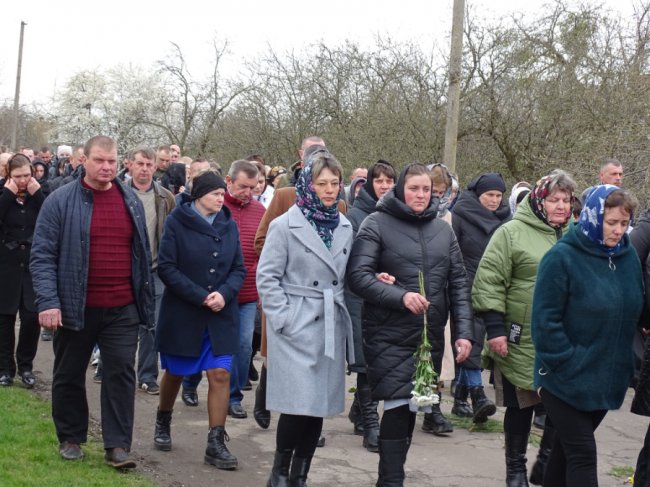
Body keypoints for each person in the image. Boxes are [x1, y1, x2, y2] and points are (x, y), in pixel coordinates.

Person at [30, 135, 154, 469]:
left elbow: (141, 255)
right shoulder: (59, 201)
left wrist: (144, 300)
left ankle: (117, 445)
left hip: (122, 306)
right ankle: (70, 437)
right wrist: (48, 301)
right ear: (84, 160)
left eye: (112, 161)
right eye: (100, 160)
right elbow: (41, 255)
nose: (107, 167)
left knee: (120, 373)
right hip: (74, 304)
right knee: (69, 373)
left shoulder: (130, 201)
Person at [347, 163, 474, 486]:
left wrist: (464, 334)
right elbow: (358, 276)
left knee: (413, 406)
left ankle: (392, 476)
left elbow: (458, 283)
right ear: (400, 189)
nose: (420, 195)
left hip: (428, 336)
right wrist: (399, 296)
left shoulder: (443, 229)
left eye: (426, 190)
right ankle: (391, 479)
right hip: (388, 331)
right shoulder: (377, 223)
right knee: (399, 403)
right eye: (414, 188)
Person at [532, 185, 643, 486]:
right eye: (612, 222)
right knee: (582, 454)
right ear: (594, 217)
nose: (619, 230)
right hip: (563, 379)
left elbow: (636, 306)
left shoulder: (627, 256)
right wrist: (569, 362)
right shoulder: (562, 257)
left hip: (606, 380)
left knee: (565, 455)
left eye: (624, 223)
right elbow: (544, 322)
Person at [472, 170, 576, 486]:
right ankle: (515, 469)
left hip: (565, 337)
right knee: (522, 404)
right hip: (520, 333)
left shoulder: (578, 234)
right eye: (554, 200)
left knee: (562, 407)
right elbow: (489, 281)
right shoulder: (511, 233)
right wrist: (496, 330)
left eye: (566, 200)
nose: (561, 206)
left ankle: (545, 463)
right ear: (539, 201)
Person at [257, 148, 353, 486]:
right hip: (297, 323)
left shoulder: (344, 225)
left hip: (329, 324)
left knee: (318, 406)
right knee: (297, 404)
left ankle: (301, 474)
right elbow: (266, 276)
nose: (329, 189)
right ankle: (279, 472)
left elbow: (345, 275)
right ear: (308, 185)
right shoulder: (286, 224)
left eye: (334, 183)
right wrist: (283, 319)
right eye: (321, 183)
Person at [153, 170, 246, 470]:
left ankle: (215, 443)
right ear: (199, 195)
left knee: (220, 374)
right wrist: (200, 296)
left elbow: (238, 269)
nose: (222, 198)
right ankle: (163, 419)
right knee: (176, 373)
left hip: (220, 314)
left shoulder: (228, 225)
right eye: (216, 193)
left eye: (223, 194)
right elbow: (167, 267)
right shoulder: (177, 223)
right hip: (184, 313)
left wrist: (224, 294)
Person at [344, 159, 396, 451]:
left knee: (378, 358)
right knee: (364, 359)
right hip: (358, 294)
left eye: (390, 181)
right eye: (380, 181)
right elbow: (351, 260)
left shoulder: (395, 214)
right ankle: (370, 424)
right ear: (370, 184)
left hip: (386, 294)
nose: (385, 186)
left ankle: (358, 411)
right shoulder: (355, 216)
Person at [450, 173, 510, 424]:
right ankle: (477, 395)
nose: (495, 200)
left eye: (498, 195)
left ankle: (460, 399)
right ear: (478, 195)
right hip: (466, 285)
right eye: (490, 195)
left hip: (495, 288)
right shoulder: (459, 216)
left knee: (483, 340)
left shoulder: (507, 220)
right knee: (472, 337)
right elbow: (452, 253)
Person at [127, 147, 176, 394]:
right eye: (140, 164)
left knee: (151, 324)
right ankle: (109, 366)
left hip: (155, 270)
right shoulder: (119, 193)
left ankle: (147, 375)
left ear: (155, 167)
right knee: (118, 322)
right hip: (125, 269)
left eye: (149, 164)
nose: (144, 168)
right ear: (130, 165)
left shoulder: (165, 197)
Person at [0, 154, 44, 388]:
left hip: (31, 266)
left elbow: (50, 219)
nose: (24, 180)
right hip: (6, 266)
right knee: (5, 320)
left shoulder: (39, 194)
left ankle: (26, 366)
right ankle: (5, 368)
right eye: (18, 176)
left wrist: (37, 195)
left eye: (27, 175)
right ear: (9, 175)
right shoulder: (4, 194)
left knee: (31, 319)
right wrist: (7, 194)